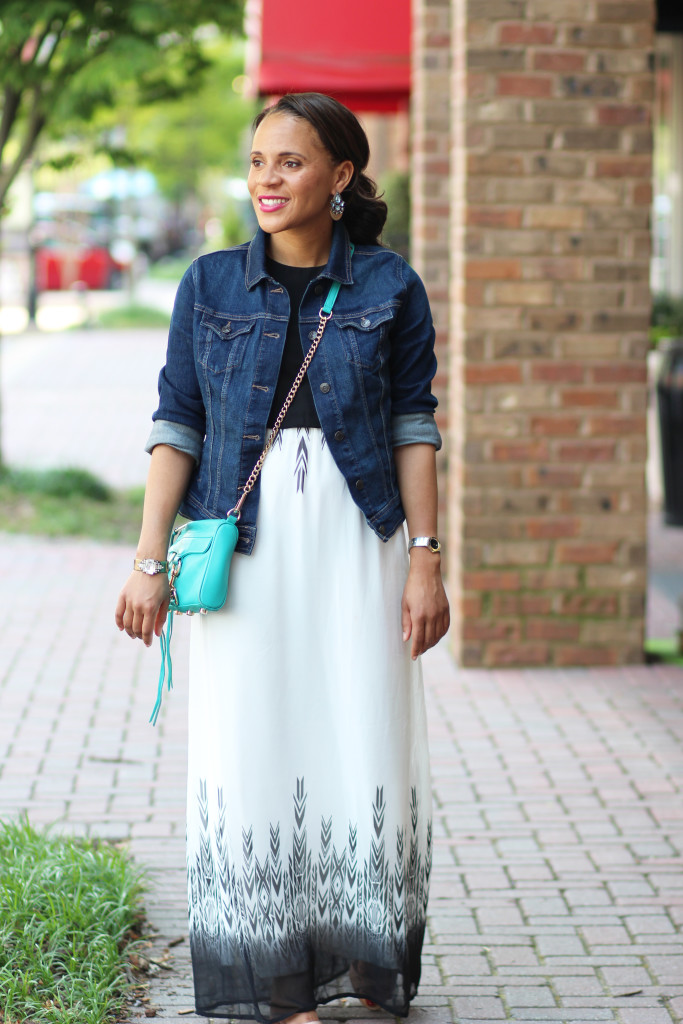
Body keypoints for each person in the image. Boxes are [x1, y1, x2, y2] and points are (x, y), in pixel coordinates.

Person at [116, 92, 449, 1024]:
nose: (266, 179)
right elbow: (176, 423)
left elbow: (413, 427)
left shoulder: (390, 285)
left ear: (340, 177)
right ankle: (278, 982)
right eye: (258, 161)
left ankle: (371, 968)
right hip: (247, 540)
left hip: (358, 537)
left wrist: (425, 558)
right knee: (251, 741)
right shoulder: (209, 283)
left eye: (290, 162)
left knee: (361, 732)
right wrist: (150, 558)